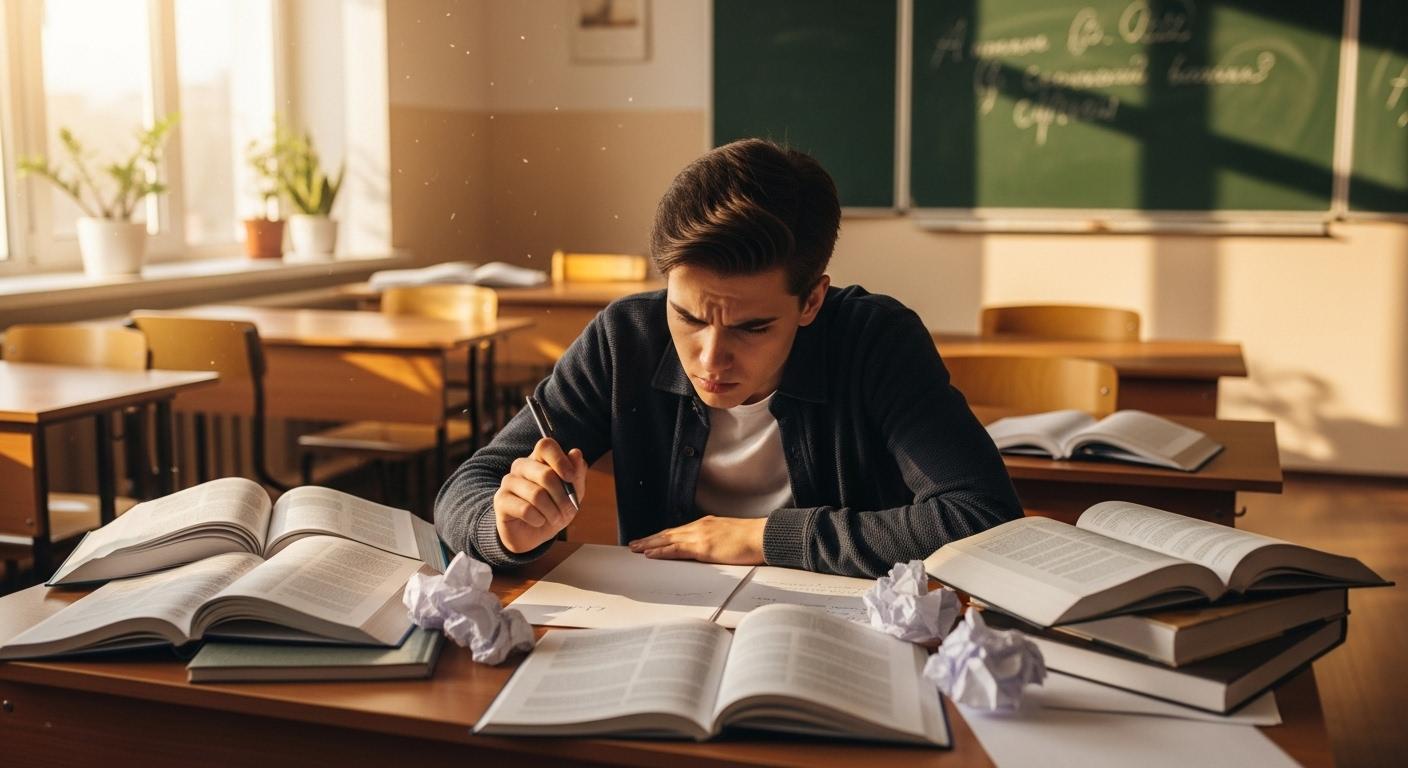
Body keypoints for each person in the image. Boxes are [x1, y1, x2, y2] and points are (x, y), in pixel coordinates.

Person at [435, 138, 1021, 577]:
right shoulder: (626, 337)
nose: (711, 358)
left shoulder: (877, 341)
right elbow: (468, 487)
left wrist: (765, 539)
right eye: (688, 317)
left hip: (839, 635)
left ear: (812, 299)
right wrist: (506, 527)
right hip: (668, 631)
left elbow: (982, 516)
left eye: (753, 327)